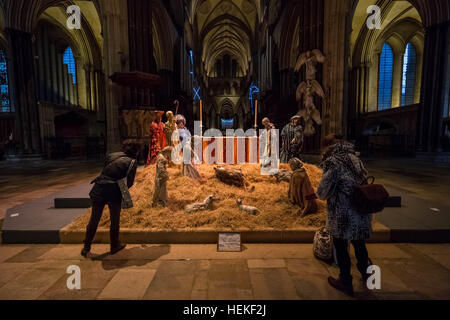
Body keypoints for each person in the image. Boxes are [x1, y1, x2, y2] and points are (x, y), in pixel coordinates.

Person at [317, 134, 372, 296]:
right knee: (359, 243)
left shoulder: (333, 162)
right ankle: (366, 274)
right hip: (360, 209)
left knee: (341, 246)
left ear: (327, 146)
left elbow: (322, 191)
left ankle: (345, 281)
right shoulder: (355, 159)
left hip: (343, 214)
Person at [81, 143, 139, 257]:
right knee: (114, 219)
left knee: (94, 219)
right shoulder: (132, 162)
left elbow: (105, 170)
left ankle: (86, 246)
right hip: (113, 191)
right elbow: (130, 182)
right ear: (136, 152)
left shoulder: (112, 155)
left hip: (98, 188)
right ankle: (114, 245)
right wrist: (122, 187)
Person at [175, 115, 201, 180]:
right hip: (185, 147)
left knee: (192, 161)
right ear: (177, 123)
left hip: (190, 145)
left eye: (182, 122)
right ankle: (189, 175)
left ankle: (193, 174)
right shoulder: (177, 131)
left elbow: (189, 137)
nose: (181, 123)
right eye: (179, 122)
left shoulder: (186, 130)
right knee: (188, 162)